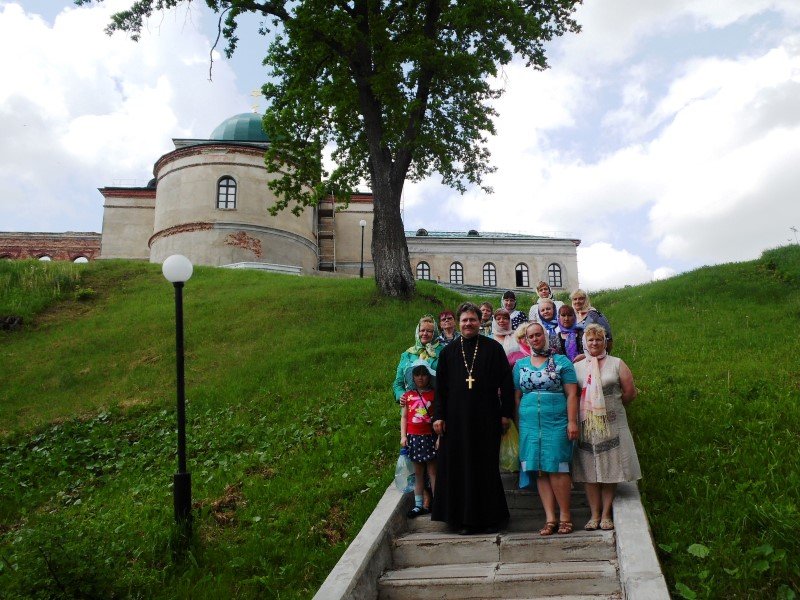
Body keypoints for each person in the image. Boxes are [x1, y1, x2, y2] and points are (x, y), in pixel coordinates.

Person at [432, 302, 515, 535]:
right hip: (455, 419)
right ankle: (461, 521)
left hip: (486, 418)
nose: (468, 323)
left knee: (485, 467)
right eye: (465, 320)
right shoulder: (448, 352)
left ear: (480, 322)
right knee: (459, 467)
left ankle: (490, 519)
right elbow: (441, 388)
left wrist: (505, 413)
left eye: (473, 320)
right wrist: (438, 416)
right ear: (459, 323)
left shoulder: (493, 348)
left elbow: (506, 384)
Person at [572, 324, 640, 531]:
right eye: (591, 340)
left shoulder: (617, 363)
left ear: (605, 342)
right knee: (589, 470)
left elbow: (630, 392)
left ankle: (606, 514)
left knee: (611, 467)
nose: (594, 343)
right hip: (587, 424)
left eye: (598, 339)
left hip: (612, 422)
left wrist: (612, 407)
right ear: (585, 342)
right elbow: (572, 394)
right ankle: (593, 515)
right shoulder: (577, 367)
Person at [513, 322, 579, 536]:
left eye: (538, 334)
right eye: (530, 336)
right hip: (530, 425)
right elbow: (517, 397)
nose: (535, 339)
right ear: (527, 340)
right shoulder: (520, 365)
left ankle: (566, 517)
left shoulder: (561, 362)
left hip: (557, 422)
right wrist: (519, 425)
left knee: (557, 467)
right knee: (540, 470)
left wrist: (572, 422)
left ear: (545, 335)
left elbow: (571, 394)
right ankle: (550, 519)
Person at [400, 360, 438, 518]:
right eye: (417, 375)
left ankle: (437, 502)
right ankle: (418, 504)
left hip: (429, 437)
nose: (420, 378)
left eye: (424, 374)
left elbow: (439, 417)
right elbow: (403, 417)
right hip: (413, 437)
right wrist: (403, 436)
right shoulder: (407, 396)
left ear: (429, 377)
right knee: (418, 472)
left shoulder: (434, 395)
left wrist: (439, 438)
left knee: (433, 471)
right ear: (412, 377)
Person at [393, 315, 441, 402]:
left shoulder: (444, 352)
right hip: (412, 406)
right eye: (422, 330)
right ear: (417, 332)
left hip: (437, 405)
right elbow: (398, 383)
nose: (425, 334)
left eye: (429, 331)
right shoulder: (407, 354)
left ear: (435, 333)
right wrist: (401, 395)